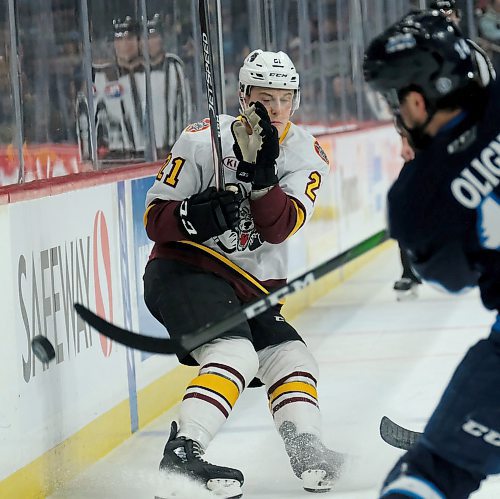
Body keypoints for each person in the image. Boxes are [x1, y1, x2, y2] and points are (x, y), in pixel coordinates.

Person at [143, 49, 342, 498]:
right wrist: (194, 216)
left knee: (292, 359)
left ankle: (307, 450)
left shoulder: (306, 154)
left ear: (296, 101)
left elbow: (278, 228)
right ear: (242, 96)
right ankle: (183, 454)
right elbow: (155, 217)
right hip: (184, 270)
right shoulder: (200, 140)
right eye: (262, 97)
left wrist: (262, 176)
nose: (273, 109)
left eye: (283, 99)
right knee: (236, 354)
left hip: (250, 288)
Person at [364, 10, 500, 499]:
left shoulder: (416, 199)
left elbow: (453, 278)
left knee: (427, 477)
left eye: (396, 103)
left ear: (417, 100)